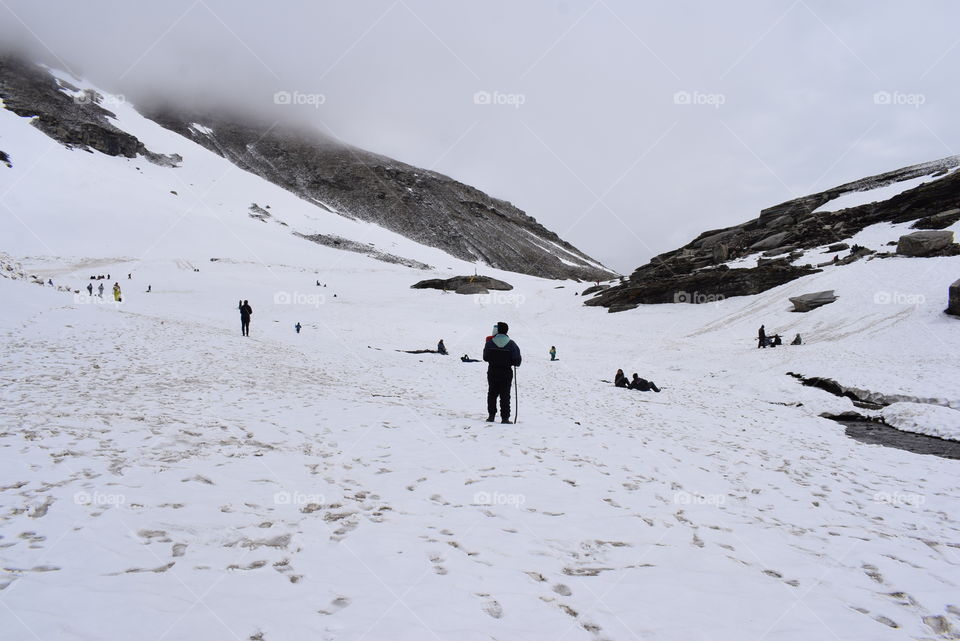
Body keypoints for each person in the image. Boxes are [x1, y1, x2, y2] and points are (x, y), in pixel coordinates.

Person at [483, 321, 521, 424]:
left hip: (492, 372)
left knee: (492, 393)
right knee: (505, 395)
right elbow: (517, 361)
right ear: (507, 331)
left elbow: (485, 358)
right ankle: (505, 418)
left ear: (498, 330)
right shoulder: (512, 344)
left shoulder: (490, 343)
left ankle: (491, 416)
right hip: (506, 373)